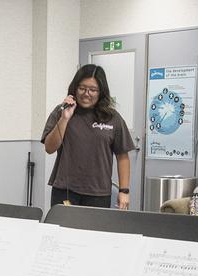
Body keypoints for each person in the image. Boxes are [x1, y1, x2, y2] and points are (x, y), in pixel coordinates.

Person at [42, 63, 135, 210]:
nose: (86, 93)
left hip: (98, 193)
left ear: (101, 92)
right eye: (82, 88)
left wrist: (124, 191)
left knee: (94, 233)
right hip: (65, 191)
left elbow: (122, 156)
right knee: (64, 232)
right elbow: (49, 148)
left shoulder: (113, 118)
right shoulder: (61, 112)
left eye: (93, 90)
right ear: (75, 88)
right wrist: (65, 118)